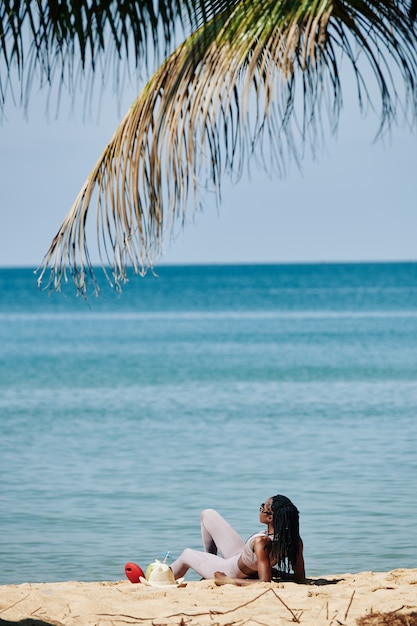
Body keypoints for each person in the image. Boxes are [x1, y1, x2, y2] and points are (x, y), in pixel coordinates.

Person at [170, 494, 305, 583]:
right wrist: (278, 573)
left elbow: (264, 583)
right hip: (240, 556)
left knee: (187, 554)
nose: (260, 510)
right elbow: (300, 578)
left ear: (270, 518)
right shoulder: (294, 541)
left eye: (262, 508)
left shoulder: (262, 542)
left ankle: (162, 577)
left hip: (230, 570)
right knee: (207, 514)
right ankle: (208, 564)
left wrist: (229, 581)